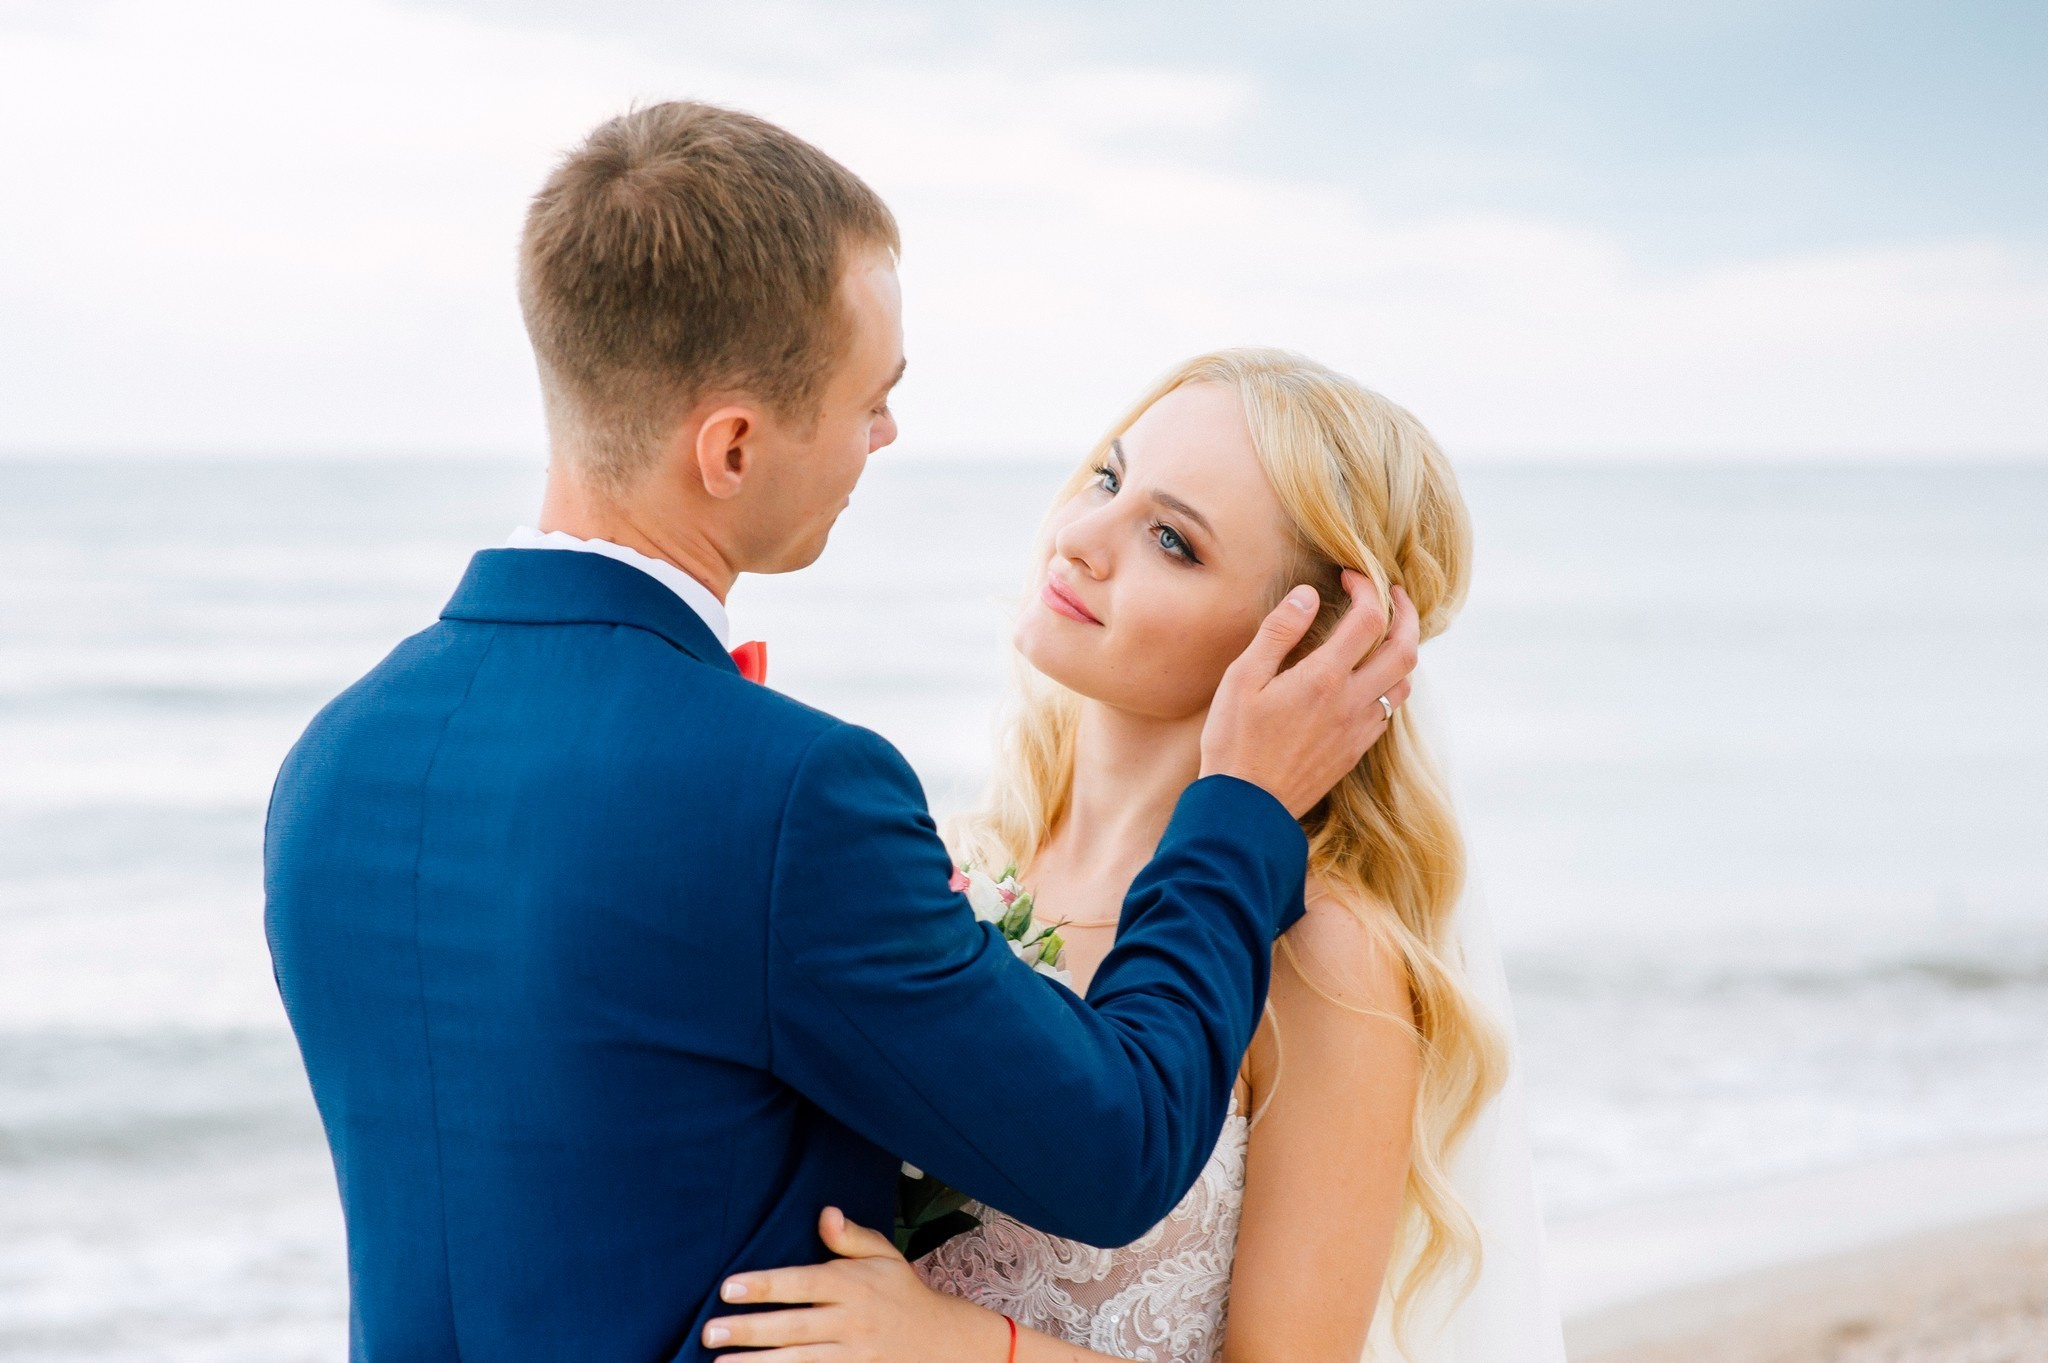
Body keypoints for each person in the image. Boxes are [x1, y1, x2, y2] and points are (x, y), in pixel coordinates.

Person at [263, 105, 1419, 1361]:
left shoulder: (330, 762)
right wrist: (1240, 809)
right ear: (735, 446)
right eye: (870, 400)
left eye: (1171, 531)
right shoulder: (790, 797)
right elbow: (1115, 1148)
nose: (884, 437)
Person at [700, 351, 1568, 1361]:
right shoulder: (957, 864)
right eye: (1106, 480)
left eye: (1171, 540)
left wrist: (959, 1346)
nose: (1079, 538)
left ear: (1307, 650)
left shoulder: (1317, 954)